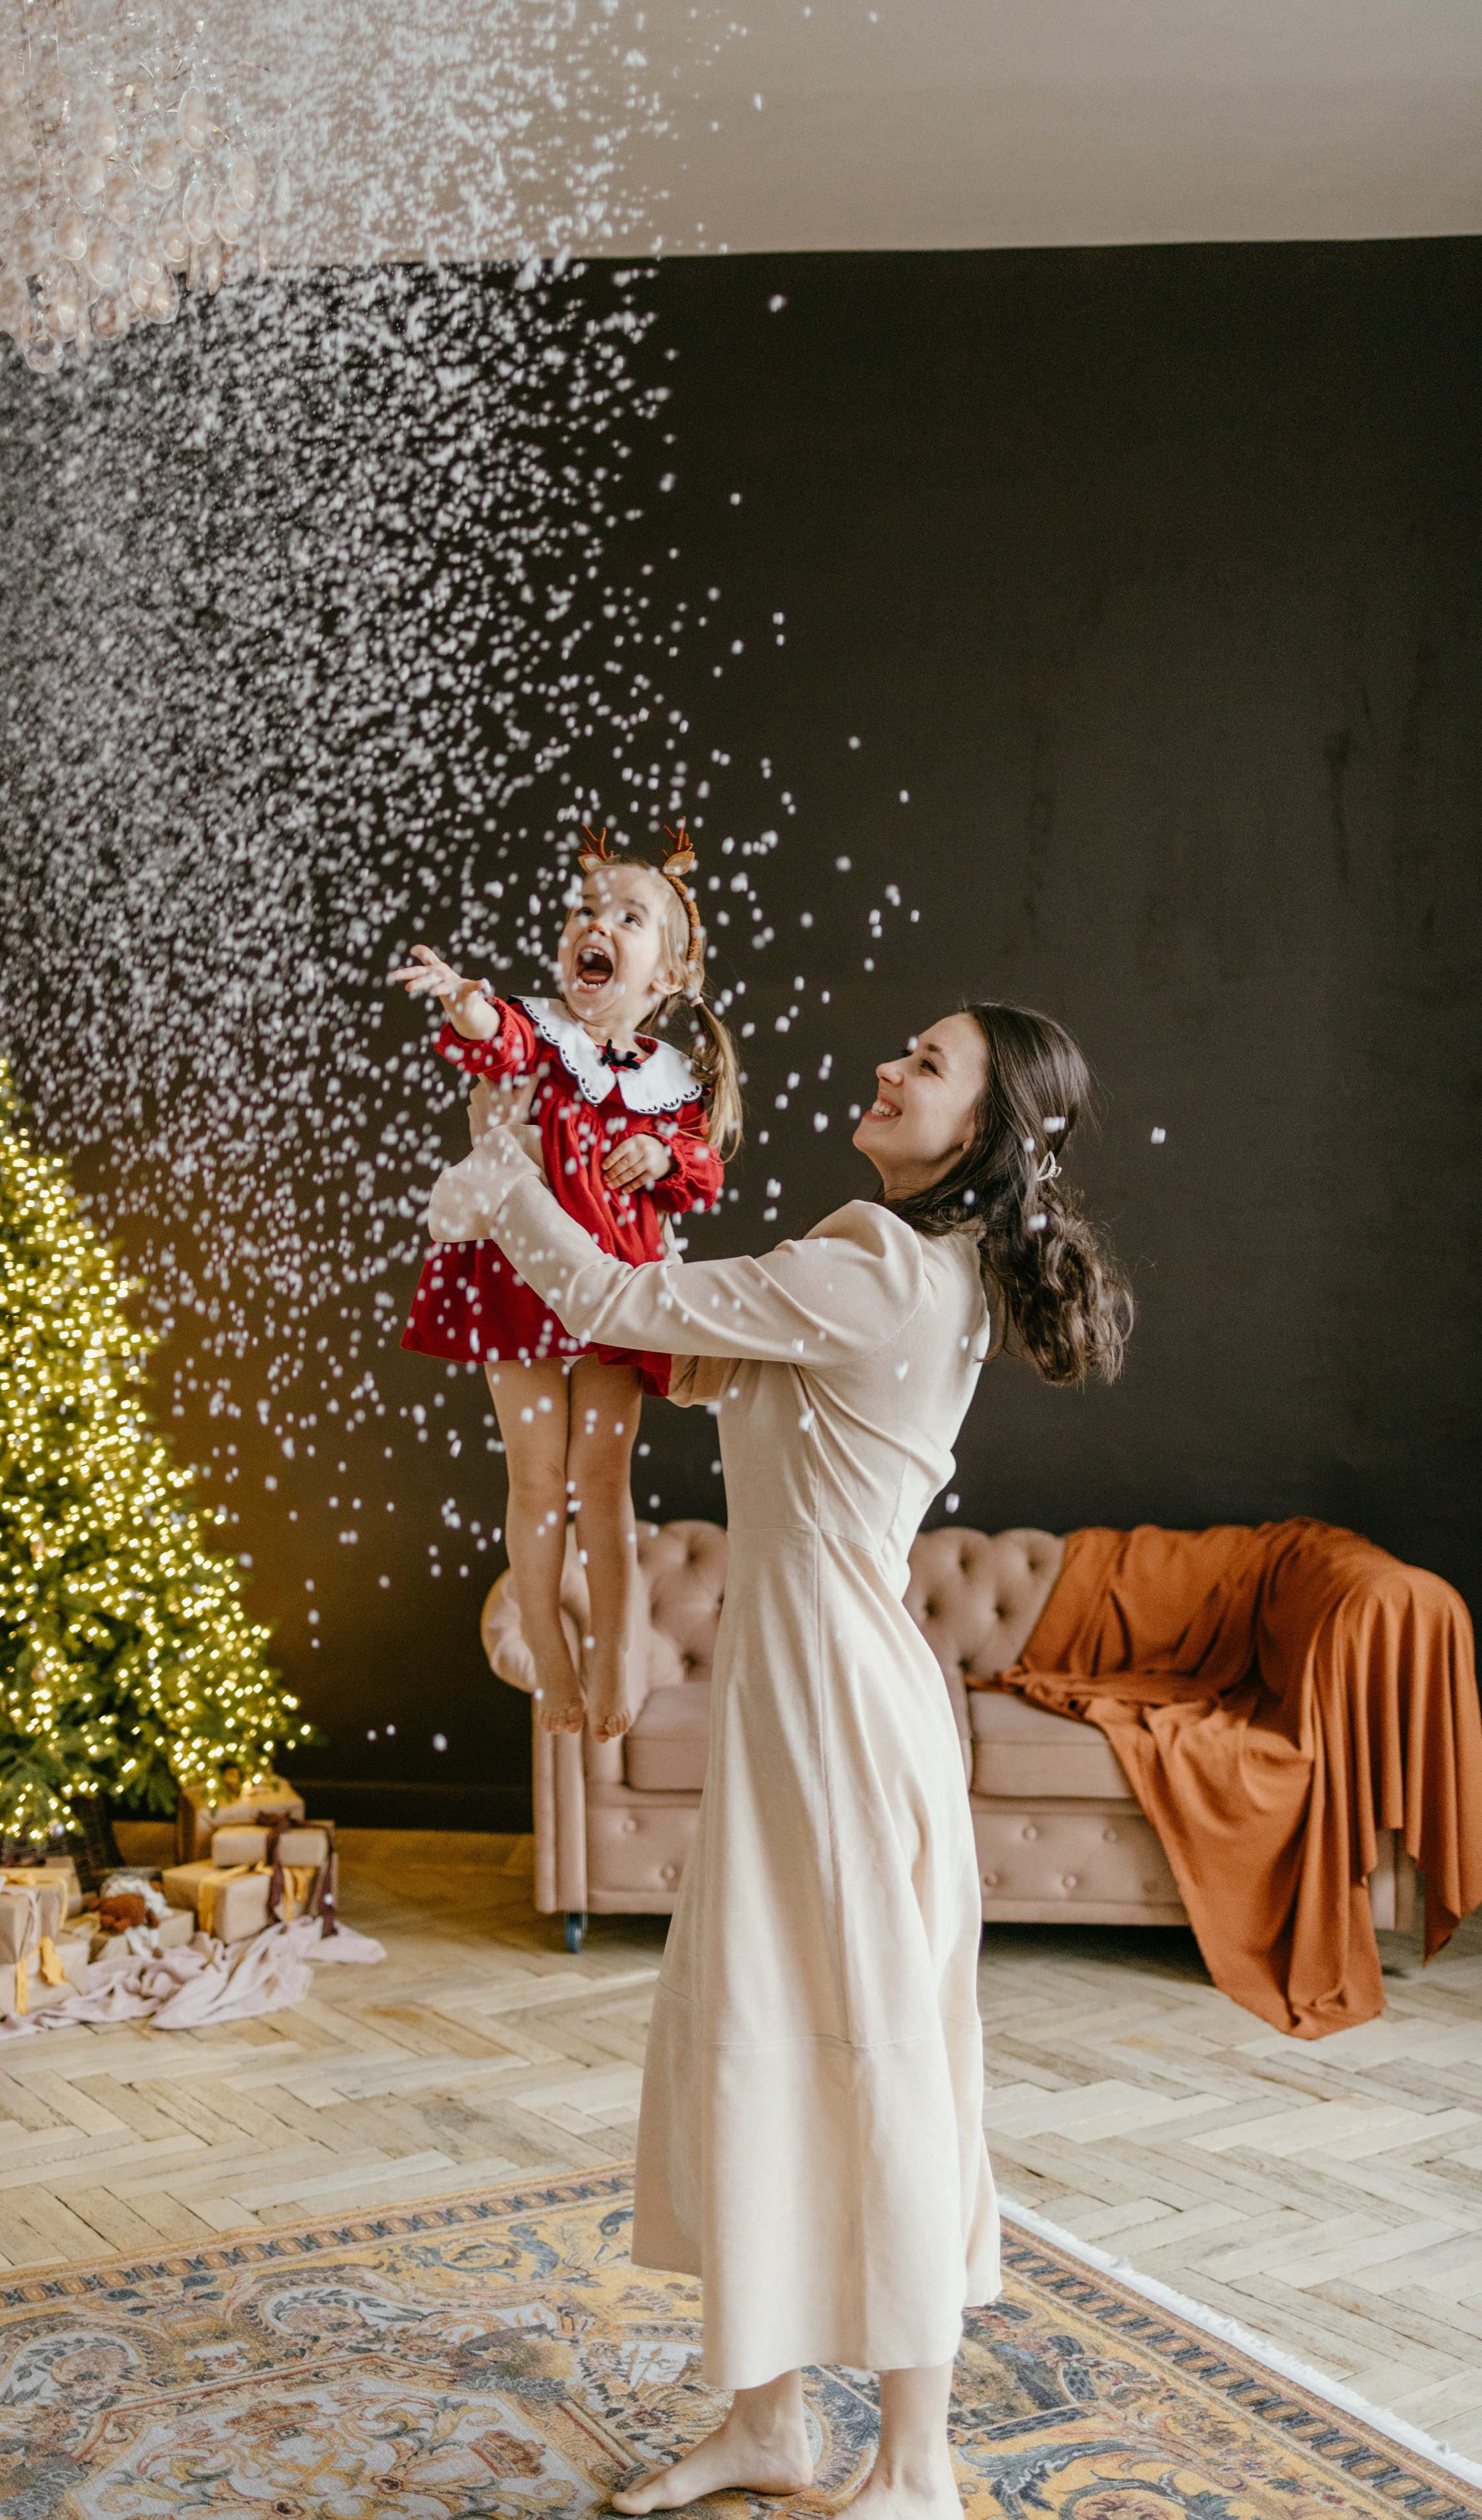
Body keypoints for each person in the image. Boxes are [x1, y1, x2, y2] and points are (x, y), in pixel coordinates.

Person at [427, 1000, 1132, 2517]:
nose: (890, 1066)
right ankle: (766, 2423)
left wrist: (506, 1175)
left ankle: (917, 2467)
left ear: (983, 1131)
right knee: (749, 2032)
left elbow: (616, 1293)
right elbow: (680, 1355)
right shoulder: (885, 1264)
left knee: (872, 2056)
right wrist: (605, 1187)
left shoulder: (877, 1267)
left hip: (832, 1710)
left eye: (927, 1064)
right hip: (803, 1695)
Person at [392, 829, 741, 1742]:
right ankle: (548, 1647)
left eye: (629, 916)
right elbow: (492, 1039)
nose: (599, 924)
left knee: (604, 1477)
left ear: (665, 979)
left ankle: (617, 1644)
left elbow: (702, 1170)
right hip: (521, 1283)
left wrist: (662, 1149)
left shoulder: (670, 1083)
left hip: (617, 1291)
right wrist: (464, 998)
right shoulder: (541, 1037)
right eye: (586, 909)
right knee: (539, 1480)